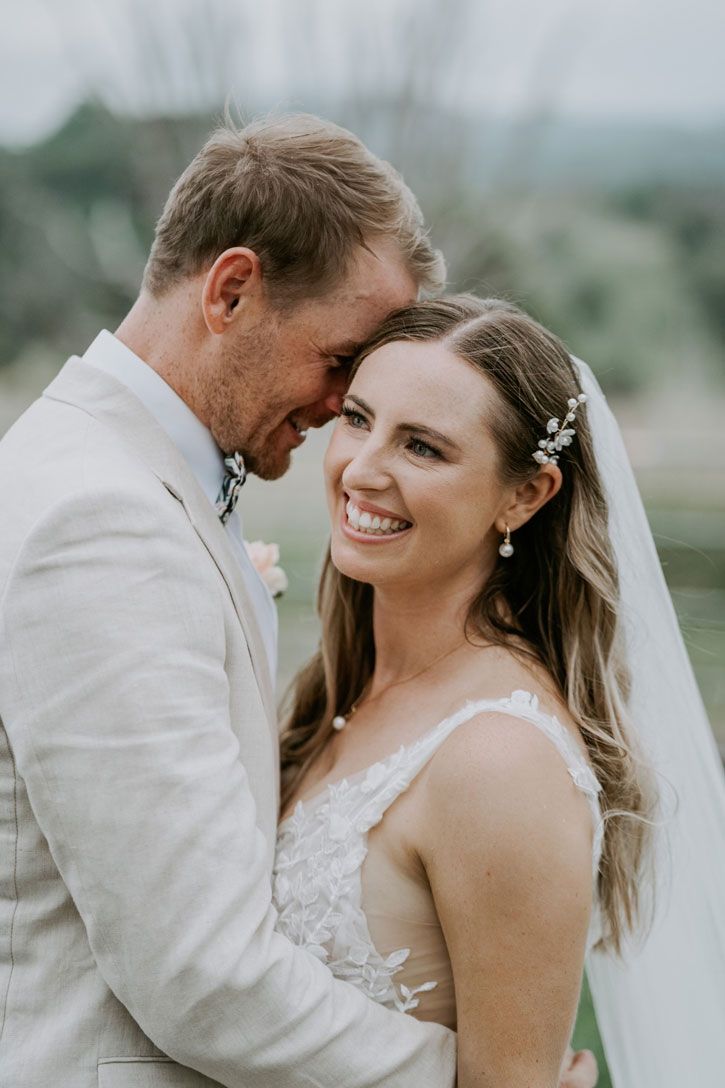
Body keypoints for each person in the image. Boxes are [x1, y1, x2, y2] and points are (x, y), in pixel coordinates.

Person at [0, 117, 597, 1088]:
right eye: (340, 370)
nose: (339, 425)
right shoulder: (105, 516)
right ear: (230, 290)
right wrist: (476, 1076)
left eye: (421, 439)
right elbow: (200, 971)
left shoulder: (93, 468)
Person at [277, 295, 725, 1088]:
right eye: (356, 418)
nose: (361, 467)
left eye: (421, 447)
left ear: (525, 496)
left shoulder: (498, 758)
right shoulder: (344, 688)